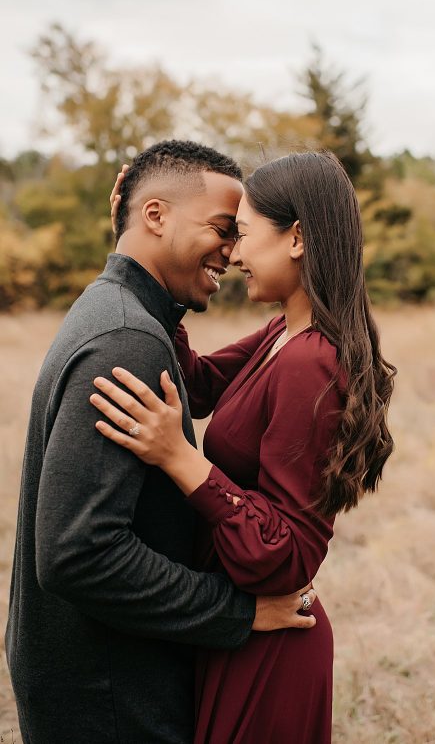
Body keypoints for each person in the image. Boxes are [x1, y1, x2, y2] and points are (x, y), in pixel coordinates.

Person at [5, 140, 316, 743]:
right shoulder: (128, 339)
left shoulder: (114, 309)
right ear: (155, 215)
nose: (233, 249)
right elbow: (79, 554)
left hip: (92, 677)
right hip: (111, 694)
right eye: (223, 229)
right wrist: (240, 613)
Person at [93, 148, 396, 742]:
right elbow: (201, 383)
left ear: (298, 240)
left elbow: (288, 556)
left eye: (245, 235)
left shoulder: (313, 364)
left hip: (273, 649)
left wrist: (182, 461)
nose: (231, 254)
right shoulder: (286, 333)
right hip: (239, 630)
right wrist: (145, 252)